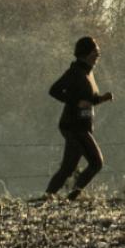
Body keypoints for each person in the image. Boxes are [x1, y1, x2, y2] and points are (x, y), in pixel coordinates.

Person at [44, 36, 115, 201]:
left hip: (81, 125)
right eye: (95, 52)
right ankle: (71, 197)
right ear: (86, 53)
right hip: (74, 125)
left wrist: (102, 98)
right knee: (96, 163)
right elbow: (54, 90)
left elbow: (88, 100)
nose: (98, 56)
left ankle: (48, 197)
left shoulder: (88, 72)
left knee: (68, 168)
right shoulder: (75, 72)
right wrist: (76, 102)